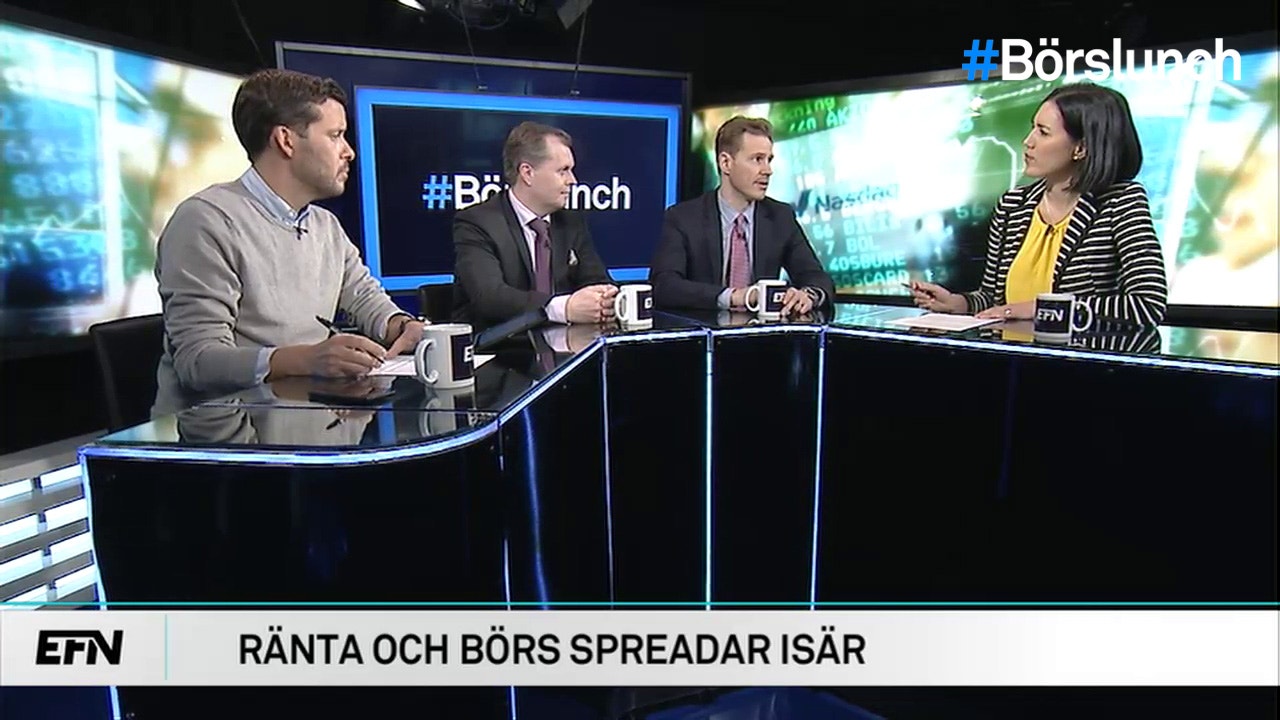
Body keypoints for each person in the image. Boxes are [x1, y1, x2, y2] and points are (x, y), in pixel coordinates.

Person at [152, 69, 426, 415]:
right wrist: (306, 360)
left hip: (310, 422)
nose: (349, 152)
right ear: (286, 140)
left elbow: (364, 297)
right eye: (336, 136)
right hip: (222, 433)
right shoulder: (206, 221)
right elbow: (198, 361)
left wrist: (401, 325)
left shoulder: (324, 225)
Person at [910, 83, 1168, 327]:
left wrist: (1043, 308)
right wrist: (958, 303)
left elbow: (1147, 305)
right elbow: (995, 300)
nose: (1028, 141)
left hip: (1079, 356)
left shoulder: (1120, 202)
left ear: (1081, 148)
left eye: (1043, 132)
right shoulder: (1012, 206)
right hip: (1011, 353)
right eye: (1033, 128)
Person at [650, 116, 835, 315]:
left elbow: (816, 277)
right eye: (757, 159)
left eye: (769, 160)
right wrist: (734, 296)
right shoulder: (683, 218)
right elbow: (664, 285)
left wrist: (808, 295)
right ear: (726, 163)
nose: (768, 170)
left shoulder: (780, 217)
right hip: (704, 331)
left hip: (763, 332)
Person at [451, 121, 617, 332]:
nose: (573, 180)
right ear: (527, 173)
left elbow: (598, 281)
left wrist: (604, 299)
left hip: (565, 344)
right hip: (499, 346)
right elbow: (490, 297)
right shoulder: (478, 222)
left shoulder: (571, 222)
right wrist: (563, 308)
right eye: (563, 171)